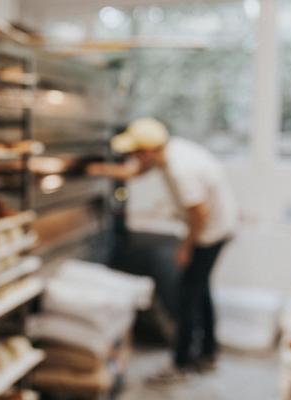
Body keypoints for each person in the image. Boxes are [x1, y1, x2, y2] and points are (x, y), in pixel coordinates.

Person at [87, 117, 238, 383]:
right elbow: (136, 172)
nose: (131, 158)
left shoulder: (180, 169)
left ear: (147, 151)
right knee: (200, 290)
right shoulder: (168, 151)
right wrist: (100, 170)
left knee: (187, 296)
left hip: (210, 232)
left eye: (134, 153)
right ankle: (208, 353)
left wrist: (186, 248)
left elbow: (199, 214)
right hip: (219, 226)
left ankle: (183, 364)